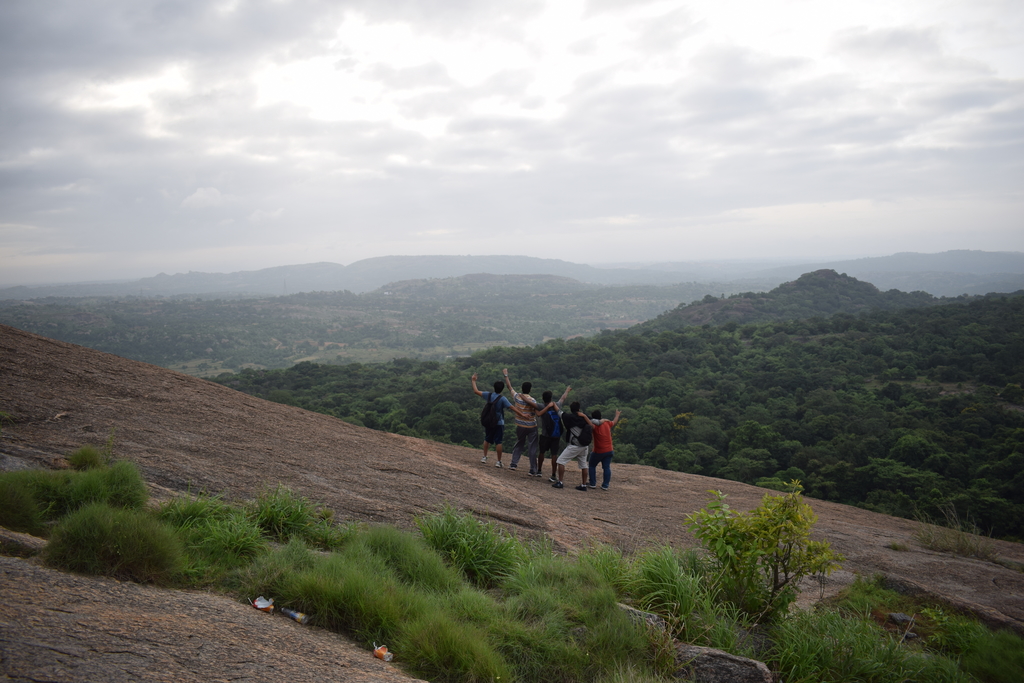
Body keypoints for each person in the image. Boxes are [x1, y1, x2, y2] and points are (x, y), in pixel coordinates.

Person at [502, 369, 539, 473]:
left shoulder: (517, 397)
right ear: (530, 390)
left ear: (522, 389)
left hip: (520, 425)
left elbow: (509, 387)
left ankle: (513, 464)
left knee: (519, 444)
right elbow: (537, 411)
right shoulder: (532, 400)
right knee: (532, 447)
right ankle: (532, 469)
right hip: (532, 426)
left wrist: (506, 375)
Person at [471, 373, 512, 468]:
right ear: (502, 389)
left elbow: (476, 391)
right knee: (499, 442)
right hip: (499, 422)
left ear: (494, 387)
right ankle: (498, 461)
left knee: (487, 439)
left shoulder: (488, 395)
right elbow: (512, 407)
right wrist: (523, 414)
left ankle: (484, 457)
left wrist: (473, 380)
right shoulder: (503, 399)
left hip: (489, 421)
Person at [535, 385, 571, 480]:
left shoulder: (541, 406)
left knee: (541, 452)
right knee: (554, 454)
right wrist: (567, 390)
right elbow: (563, 398)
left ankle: (539, 470)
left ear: (543, 399)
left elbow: (531, 404)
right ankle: (553, 474)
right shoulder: (557, 406)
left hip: (545, 435)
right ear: (551, 398)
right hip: (556, 435)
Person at [581, 409, 621, 491]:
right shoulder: (607, 423)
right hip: (609, 449)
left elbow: (588, 423)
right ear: (601, 416)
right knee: (606, 467)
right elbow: (614, 422)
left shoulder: (594, 426)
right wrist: (617, 415)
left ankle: (592, 483)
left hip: (598, 450)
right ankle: (605, 485)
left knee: (592, 465)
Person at [553, 401, 590, 490]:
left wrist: (554, 404)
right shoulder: (585, 418)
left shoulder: (569, 417)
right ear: (579, 409)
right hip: (584, 446)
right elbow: (594, 423)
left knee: (561, 461)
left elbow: (559, 412)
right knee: (584, 465)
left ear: (571, 409)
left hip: (574, 445)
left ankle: (560, 482)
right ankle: (584, 485)